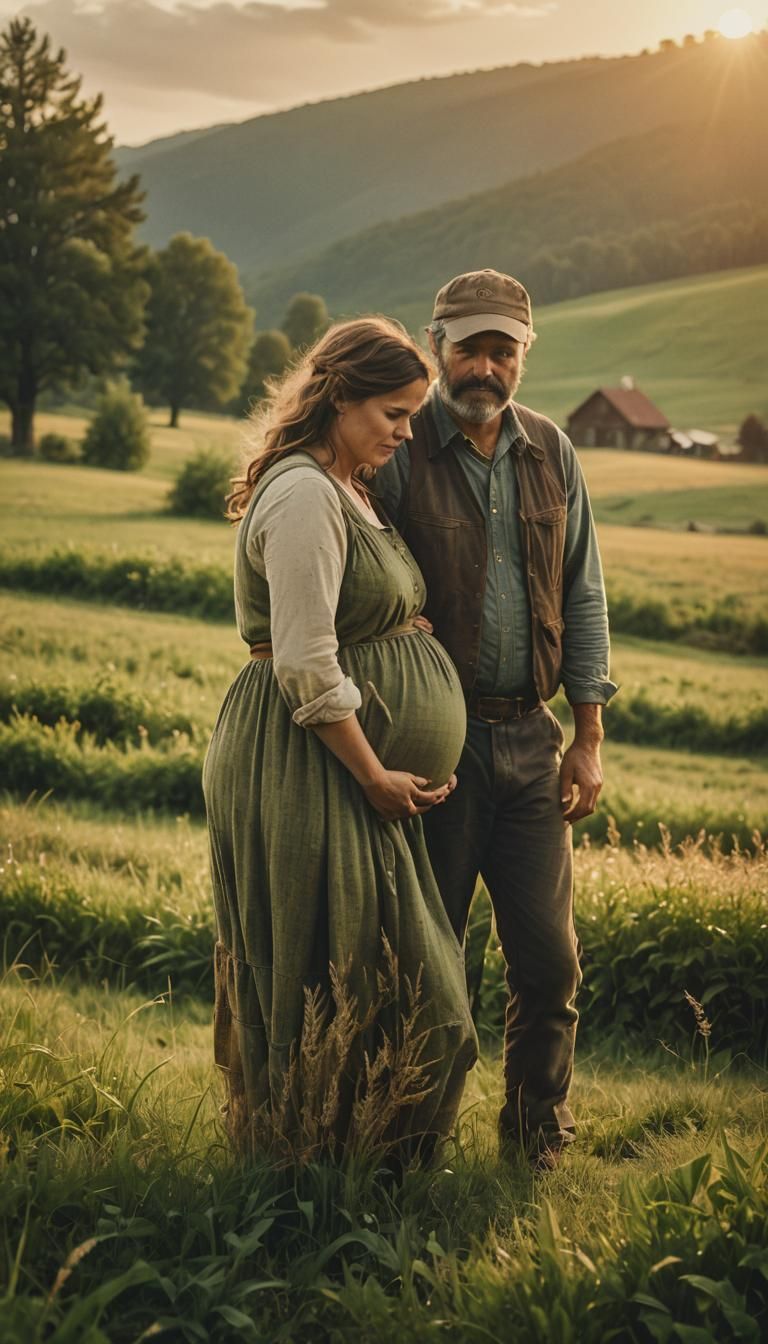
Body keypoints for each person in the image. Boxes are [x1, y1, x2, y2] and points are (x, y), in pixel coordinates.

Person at [203, 316, 477, 1161]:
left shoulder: (347, 487)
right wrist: (372, 776)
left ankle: (361, 1166)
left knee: (382, 974)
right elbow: (305, 663)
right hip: (309, 761)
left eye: (411, 414)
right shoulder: (301, 494)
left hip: (344, 765)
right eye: (394, 413)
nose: (406, 431)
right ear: (339, 397)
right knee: (333, 970)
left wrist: (399, 625)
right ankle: (303, 1171)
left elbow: (344, 611)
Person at [374, 269, 617, 1170]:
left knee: (549, 966)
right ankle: (407, 1144)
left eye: (502, 349)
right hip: (432, 741)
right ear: (436, 346)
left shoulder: (552, 450)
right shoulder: (398, 451)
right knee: (435, 965)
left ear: (523, 356)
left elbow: (584, 594)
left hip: (530, 741)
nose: (484, 365)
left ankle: (534, 1142)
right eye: (468, 346)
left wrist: (587, 738)